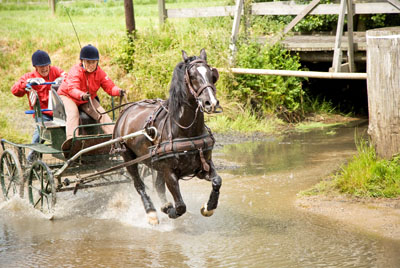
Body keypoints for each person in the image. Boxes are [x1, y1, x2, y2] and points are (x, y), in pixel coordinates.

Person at [58, 44, 125, 140]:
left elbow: (110, 87)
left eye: (93, 62)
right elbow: (72, 89)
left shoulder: (100, 73)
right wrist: (81, 95)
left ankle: (115, 137)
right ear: (82, 61)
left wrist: (119, 91)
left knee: (102, 114)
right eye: (88, 62)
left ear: (97, 62)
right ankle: (71, 140)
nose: (91, 65)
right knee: (73, 113)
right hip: (68, 96)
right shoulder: (75, 71)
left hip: (87, 98)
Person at [11, 50, 66, 162]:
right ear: (35, 67)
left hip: (59, 112)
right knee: (40, 134)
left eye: (46, 65)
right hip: (42, 113)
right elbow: (15, 91)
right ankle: (32, 156)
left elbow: (67, 75)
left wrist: (62, 79)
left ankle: (70, 153)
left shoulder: (56, 71)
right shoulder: (29, 76)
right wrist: (27, 83)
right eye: (41, 67)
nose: (45, 69)